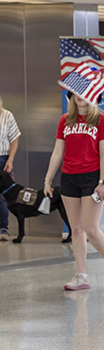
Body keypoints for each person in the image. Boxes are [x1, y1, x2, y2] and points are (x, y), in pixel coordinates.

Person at [43, 92, 104, 290]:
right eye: (75, 93)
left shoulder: (101, 121)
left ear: (93, 97)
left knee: (91, 229)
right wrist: (48, 179)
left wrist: (102, 182)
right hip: (69, 178)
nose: (79, 97)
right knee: (76, 229)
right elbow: (58, 151)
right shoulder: (65, 120)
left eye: (84, 93)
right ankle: (81, 275)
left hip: (92, 178)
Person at [0, 95, 21, 241]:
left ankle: (3, 228)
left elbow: (14, 138)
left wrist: (10, 159)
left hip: (3, 159)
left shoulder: (7, 115)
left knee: (3, 197)